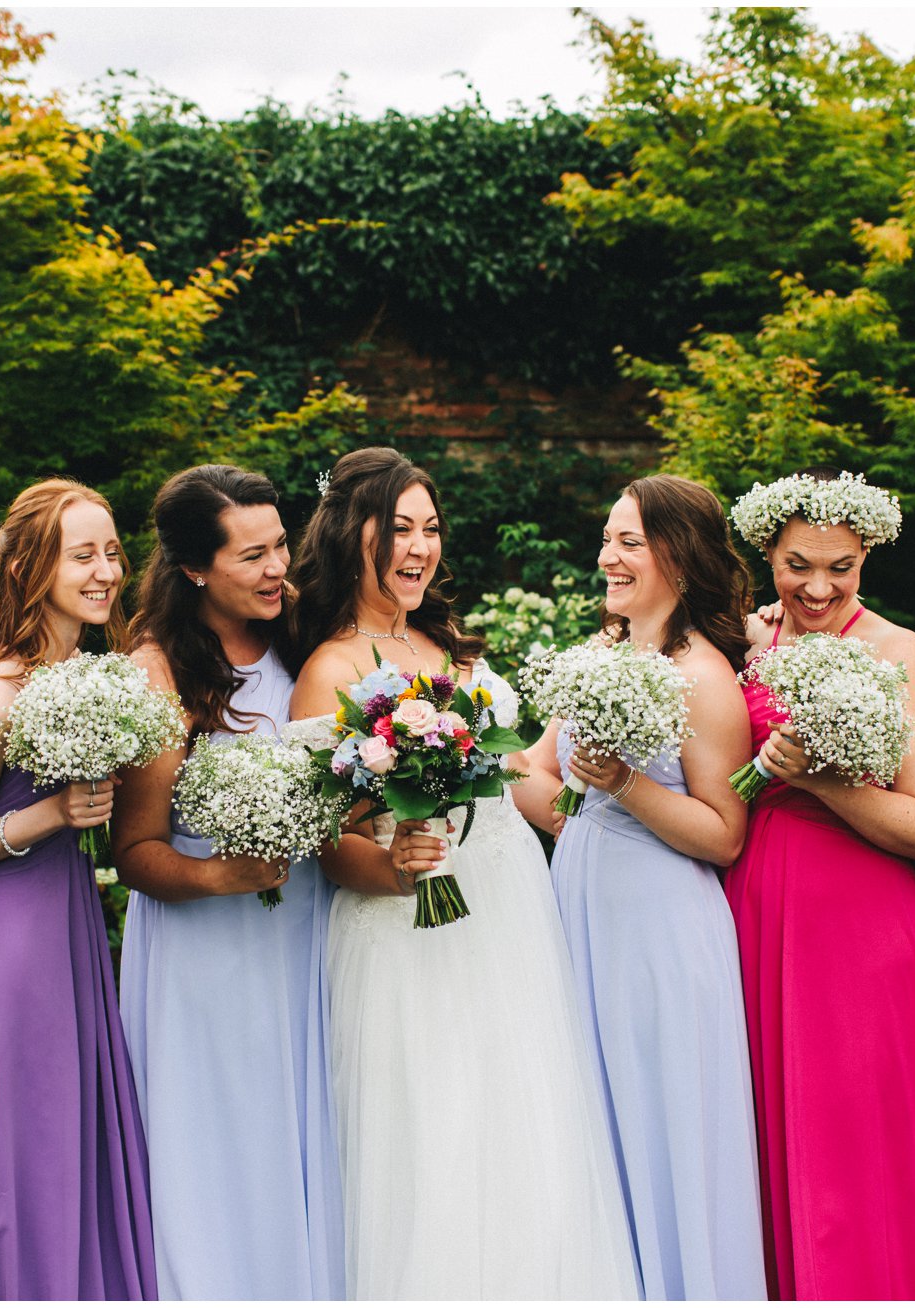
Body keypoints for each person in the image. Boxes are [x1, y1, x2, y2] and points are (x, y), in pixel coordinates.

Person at [283, 447, 637, 1300]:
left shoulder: (443, 638)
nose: (419, 547)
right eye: (398, 529)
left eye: (431, 529)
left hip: (507, 914)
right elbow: (330, 846)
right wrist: (396, 869)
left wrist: (604, 756)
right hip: (408, 934)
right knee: (433, 1137)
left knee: (524, 1125)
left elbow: (517, 781)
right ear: (350, 532)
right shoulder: (329, 669)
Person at [722, 468, 915, 1299]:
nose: (819, 586)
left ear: (867, 558)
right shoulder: (752, 644)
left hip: (865, 927)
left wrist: (824, 780)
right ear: (769, 555)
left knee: (858, 1141)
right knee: (769, 1133)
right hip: (758, 907)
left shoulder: (899, 653)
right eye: (799, 564)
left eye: (842, 566)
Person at [0, 479, 155, 1299]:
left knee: (56, 1144)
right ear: (32, 568)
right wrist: (50, 815)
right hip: (6, 949)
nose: (105, 571)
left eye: (112, 552)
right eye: (82, 555)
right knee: (20, 1149)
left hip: (66, 930)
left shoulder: (89, 676)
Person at [516, 475, 766, 1300]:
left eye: (628, 542)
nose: (607, 558)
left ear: (678, 558)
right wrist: (457, 742)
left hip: (661, 922)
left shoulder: (703, 675)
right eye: (608, 539)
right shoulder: (598, 656)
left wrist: (624, 785)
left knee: (660, 1118)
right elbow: (538, 775)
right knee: (584, 1109)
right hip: (580, 901)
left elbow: (726, 834)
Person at [110, 464, 343, 1299]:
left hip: (303, 927)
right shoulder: (158, 671)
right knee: (220, 1141)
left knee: (304, 1129)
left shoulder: (304, 639)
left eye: (280, 545)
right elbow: (134, 850)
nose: (278, 567)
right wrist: (221, 874)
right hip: (208, 946)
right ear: (195, 568)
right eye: (253, 556)